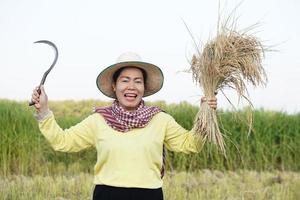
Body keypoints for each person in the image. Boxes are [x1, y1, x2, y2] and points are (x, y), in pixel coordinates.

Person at [31, 52, 217, 200]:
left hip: (149, 195)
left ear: (144, 88)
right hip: (107, 195)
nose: (131, 86)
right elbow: (63, 141)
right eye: (125, 80)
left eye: (138, 81)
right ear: (114, 86)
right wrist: (44, 110)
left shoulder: (160, 119)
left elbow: (190, 144)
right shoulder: (99, 119)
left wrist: (205, 115)